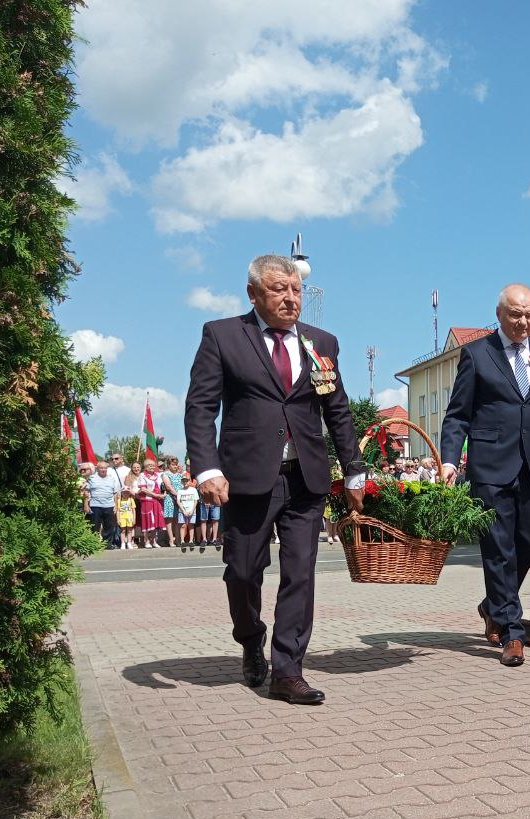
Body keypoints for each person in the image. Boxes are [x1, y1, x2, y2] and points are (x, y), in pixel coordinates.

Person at [186, 253, 365, 705]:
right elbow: (201, 407)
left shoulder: (322, 342)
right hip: (245, 480)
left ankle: (287, 671)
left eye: (296, 290)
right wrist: (207, 467)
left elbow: (337, 411)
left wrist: (355, 469)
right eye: (278, 289)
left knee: (300, 574)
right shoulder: (222, 336)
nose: (290, 298)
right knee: (243, 572)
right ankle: (250, 639)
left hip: (306, 479)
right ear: (253, 293)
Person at [439, 283, 530, 668]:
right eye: (516, 314)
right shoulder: (476, 354)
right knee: (498, 549)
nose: (523, 321)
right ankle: (512, 632)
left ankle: (492, 605)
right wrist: (450, 459)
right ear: (500, 314)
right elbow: (457, 415)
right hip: (489, 466)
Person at [83, 460, 121, 547]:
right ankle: (94, 544)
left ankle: (107, 544)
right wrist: (86, 505)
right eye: (101, 468)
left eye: (105, 468)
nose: (103, 469)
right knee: (94, 526)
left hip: (109, 505)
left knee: (109, 526)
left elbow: (115, 493)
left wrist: (116, 506)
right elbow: (86, 492)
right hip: (95, 506)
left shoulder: (111, 478)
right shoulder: (92, 478)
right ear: (97, 468)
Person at [134, 459, 165, 548]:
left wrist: (163, 494)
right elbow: (143, 489)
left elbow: (162, 486)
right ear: (145, 467)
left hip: (157, 501)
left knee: (155, 521)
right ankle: (146, 541)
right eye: (149, 465)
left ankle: (154, 541)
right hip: (147, 501)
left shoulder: (158, 475)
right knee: (147, 521)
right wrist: (155, 495)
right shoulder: (142, 475)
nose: (152, 467)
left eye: (153, 465)